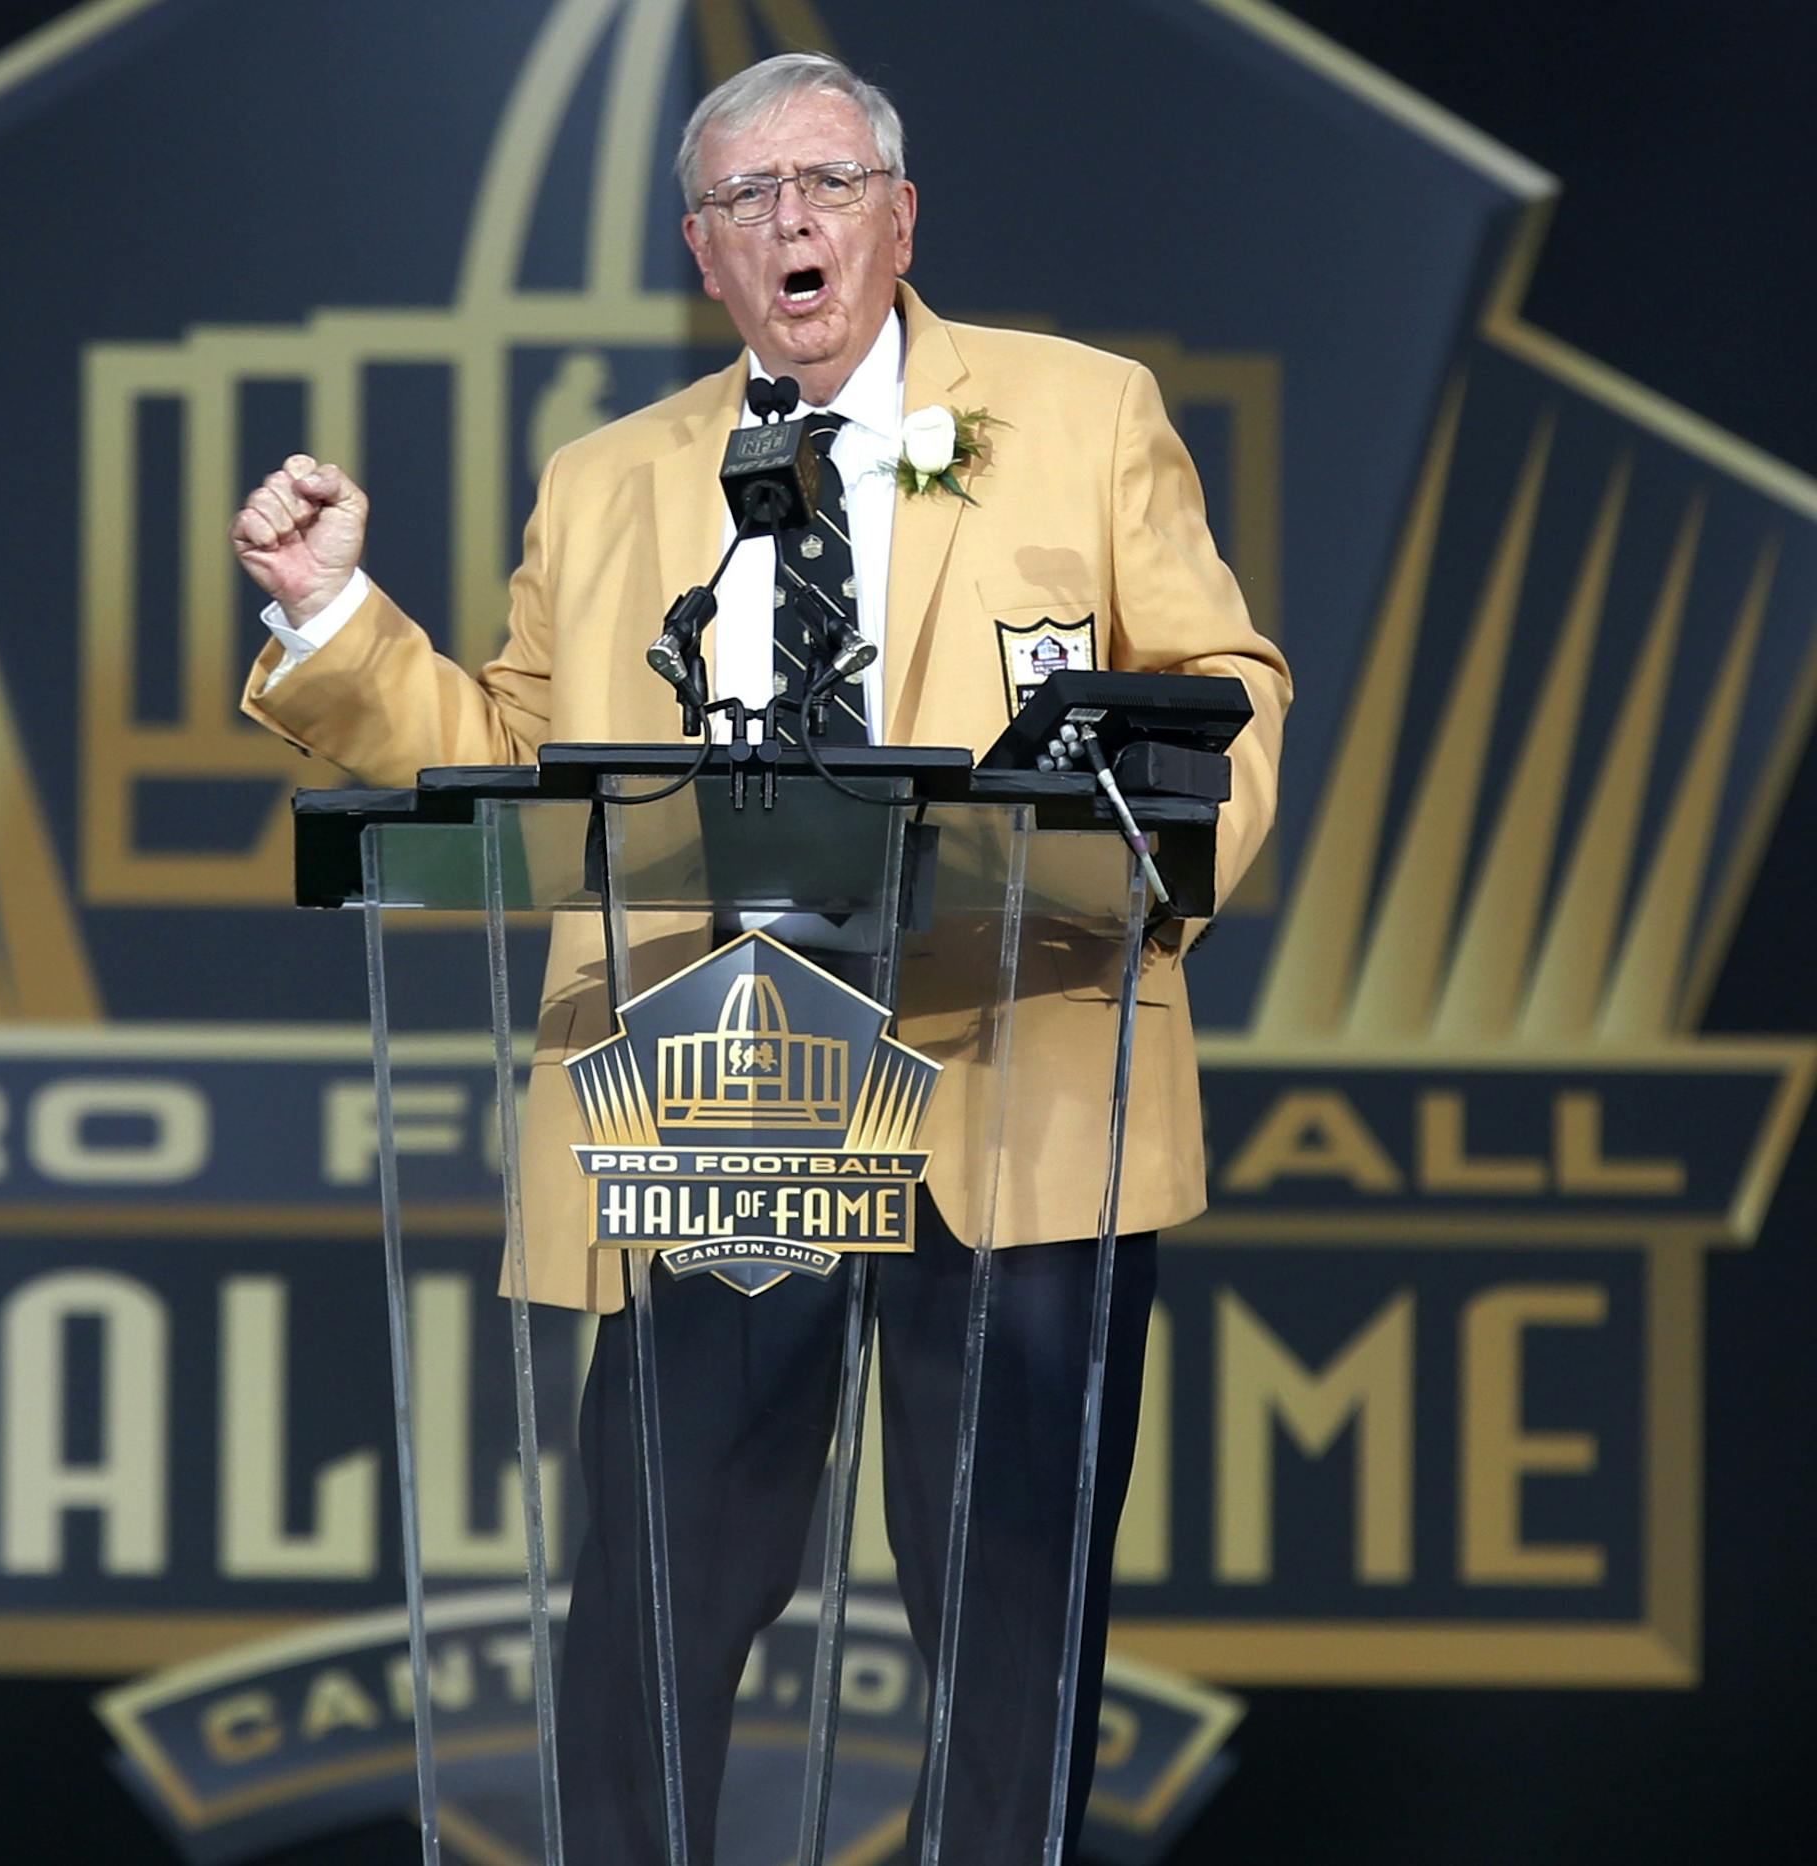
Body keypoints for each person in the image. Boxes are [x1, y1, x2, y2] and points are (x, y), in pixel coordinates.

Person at [232, 51, 1288, 1863]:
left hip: (1016, 1068)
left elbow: (1223, 686)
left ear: (900, 217)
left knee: (1013, 1631)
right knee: (650, 1615)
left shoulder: (1081, 412)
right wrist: (332, 616)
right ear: (704, 254)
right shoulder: (610, 481)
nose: (791, 221)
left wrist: (1145, 857)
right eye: (746, 199)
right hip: (726, 1079)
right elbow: (511, 753)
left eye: (827, 183)